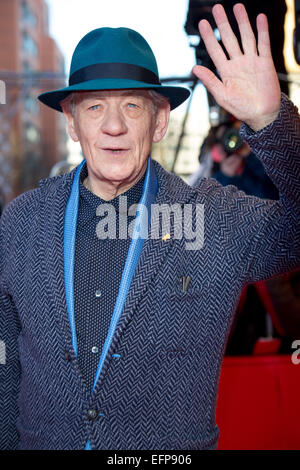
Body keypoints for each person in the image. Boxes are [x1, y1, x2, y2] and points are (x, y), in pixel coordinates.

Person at [0, 3, 299, 450]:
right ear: (72, 123)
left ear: (159, 122)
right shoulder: (21, 222)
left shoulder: (213, 218)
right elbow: (7, 366)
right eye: (95, 106)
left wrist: (271, 124)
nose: (114, 125)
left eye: (133, 107)